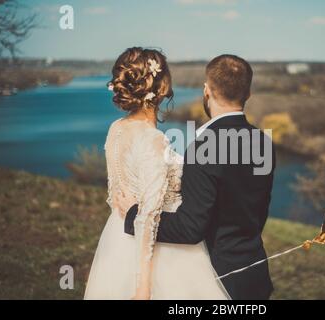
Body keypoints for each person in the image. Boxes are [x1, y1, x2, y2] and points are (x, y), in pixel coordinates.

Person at [118, 54, 276, 300]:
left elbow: (190, 229)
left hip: (217, 282)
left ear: (206, 91)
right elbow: (258, 214)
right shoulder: (263, 142)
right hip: (255, 276)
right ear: (248, 94)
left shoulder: (204, 148)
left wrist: (132, 216)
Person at [84, 47, 229, 300]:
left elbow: (115, 197)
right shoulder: (154, 140)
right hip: (159, 255)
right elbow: (147, 217)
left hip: (118, 241)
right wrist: (143, 287)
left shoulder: (116, 129)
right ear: (161, 88)